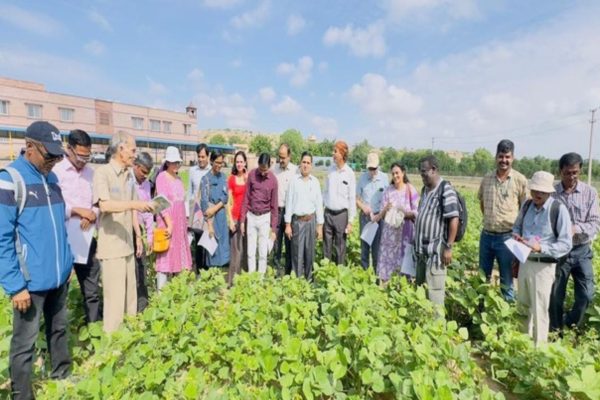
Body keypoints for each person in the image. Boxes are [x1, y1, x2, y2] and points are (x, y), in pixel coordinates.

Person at [0, 121, 73, 399]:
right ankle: (22, 395)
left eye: (58, 155)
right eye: (49, 155)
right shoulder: (10, 179)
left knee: (59, 329)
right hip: (29, 283)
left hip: (58, 276)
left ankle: (62, 375)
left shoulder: (52, 179)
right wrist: (15, 285)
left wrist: (66, 264)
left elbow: (60, 226)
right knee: (24, 343)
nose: (54, 161)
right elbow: (2, 239)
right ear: (30, 147)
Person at [93, 131, 154, 333]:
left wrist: (138, 235)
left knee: (130, 300)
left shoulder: (129, 176)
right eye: (132, 150)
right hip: (112, 249)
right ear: (120, 149)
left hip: (127, 245)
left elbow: (133, 209)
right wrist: (135, 204)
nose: (134, 155)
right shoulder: (103, 173)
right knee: (115, 303)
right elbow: (105, 205)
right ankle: (112, 350)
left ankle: (129, 343)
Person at [513, 171, 572, 344]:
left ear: (549, 192)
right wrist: (517, 237)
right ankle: (522, 345)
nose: (538, 194)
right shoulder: (526, 206)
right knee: (522, 306)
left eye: (542, 191)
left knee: (540, 309)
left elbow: (566, 244)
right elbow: (516, 227)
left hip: (543, 267)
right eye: (535, 190)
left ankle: (539, 351)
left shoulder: (557, 210)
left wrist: (542, 247)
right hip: (525, 262)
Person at [53, 129, 102, 323]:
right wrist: (77, 211)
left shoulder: (92, 173)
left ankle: (94, 330)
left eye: (87, 156)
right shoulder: (56, 173)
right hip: (64, 239)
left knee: (92, 289)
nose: (84, 160)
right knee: (60, 291)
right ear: (69, 149)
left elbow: (98, 203)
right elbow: (55, 206)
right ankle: (62, 332)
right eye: (80, 156)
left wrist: (92, 213)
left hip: (87, 239)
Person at [550, 153, 600, 331]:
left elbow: (595, 223)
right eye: (567, 173)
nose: (571, 177)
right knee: (555, 295)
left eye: (575, 173)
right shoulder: (552, 194)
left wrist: (575, 228)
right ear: (560, 171)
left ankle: (569, 322)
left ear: (579, 171)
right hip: (560, 252)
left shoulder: (590, 193)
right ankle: (555, 330)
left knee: (586, 294)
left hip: (581, 250)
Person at [478, 139, 528, 301]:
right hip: (486, 236)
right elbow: (482, 204)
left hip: (507, 237)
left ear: (513, 158)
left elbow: (525, 209)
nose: (504, 161)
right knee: (481, 278)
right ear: (496, 157)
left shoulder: (520, 180)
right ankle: (479, 314)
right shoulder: (486, 179)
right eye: (501, 156)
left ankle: (506, 317)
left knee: (507, 280)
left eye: (507, 157)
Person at [414, 155, 459, 309]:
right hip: (421, 254)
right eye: (421, 173)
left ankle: (437, 330)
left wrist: (449, 247)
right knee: (420, 296)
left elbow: (454, 218)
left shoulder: (445, 188)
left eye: (424, 172)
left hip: (436, 255)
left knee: (435, 298)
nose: (422, 176)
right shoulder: (425, 190)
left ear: (433, 170)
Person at [374, 162, 419, 282]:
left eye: (397, 173)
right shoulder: (388, 191)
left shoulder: (410, 189)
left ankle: (403, 288)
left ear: (403, 173)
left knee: (404, 264)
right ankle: (386, 287)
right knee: (388, 266)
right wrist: (386, 209)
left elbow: (417, 212)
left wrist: (404, 213)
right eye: (393, 173)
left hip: (405, 234)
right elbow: (381, 214)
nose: (395, 176)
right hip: (389, 236)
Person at [155, 146, 192, 289]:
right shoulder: (161, 177)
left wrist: (185, 224)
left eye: (178, 162)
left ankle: (177, 294)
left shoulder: (179, 179)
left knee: (179, 261)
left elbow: (182, 203)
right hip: (167, 224)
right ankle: (161, 296)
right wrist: (169, 225)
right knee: (165, 260)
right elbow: (160, 203)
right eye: (173, 162)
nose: (176, 165)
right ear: (167, 163)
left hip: (179, 225)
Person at [284, 152, 324, 280]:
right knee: (297, 254)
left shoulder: (315, 182)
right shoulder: (294, 181)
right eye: (304, 162)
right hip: (297, 222)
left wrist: (319, 225)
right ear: (300, 164)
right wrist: (288, 224)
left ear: (311, 165)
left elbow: (319, 204)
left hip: (311, 221)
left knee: (309, 253)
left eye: (308, 163)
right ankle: (297, 282)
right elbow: (289, 203)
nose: (306, 165)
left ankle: (309, 281)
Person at [240, 153, 278, 274]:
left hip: (264, 218)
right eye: (260, 169)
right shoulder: (251, 175)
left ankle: (260, 280)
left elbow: (274, 206)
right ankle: (252, 278)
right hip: (251, 216)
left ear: (270, 165)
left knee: (262, 252)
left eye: (265, 169)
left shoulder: (273, 180)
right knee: (250, 251)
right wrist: (242, 220)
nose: (262, 172)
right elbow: (246, 198)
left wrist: (273, 229)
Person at [323, 141, 356, 265]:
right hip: (328, 213)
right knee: (326, 246)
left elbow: (352, 198)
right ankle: (326, 272)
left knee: (340, 247)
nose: (333, 154)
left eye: (335, 151)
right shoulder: (329, 171)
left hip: (342, 215)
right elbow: (325, 192)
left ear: (342, 153)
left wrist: (351, 221)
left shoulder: (350, 174)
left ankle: (338, 275)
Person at [356, 152, 388, 270]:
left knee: (377, 250)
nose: (372, 171)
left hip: (378, 218)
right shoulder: (362, 178)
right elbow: (356, 199)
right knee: (364, 249)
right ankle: (364, 275)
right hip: (365, 218)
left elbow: (388, 199)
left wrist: (380, 215)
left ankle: (376, 277)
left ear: (378, 166)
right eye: (370, 168)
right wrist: (363, 207)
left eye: (374, 168)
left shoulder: (384, 178)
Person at [200, 150, 230, 268]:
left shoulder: (223, 177)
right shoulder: (205, 179)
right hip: (211, 220)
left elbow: (225, 196)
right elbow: (204, 203)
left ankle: (222, 280)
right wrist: (209, 225)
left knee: (223, 250)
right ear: (211, 161)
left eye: (221, 163)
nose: (219, 165)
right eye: (217, 162)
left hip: (221, 218)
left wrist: (215, 208)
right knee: (213, 251)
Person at [132, 152, 154, 312]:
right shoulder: (127, 181)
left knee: (141, 269)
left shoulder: (146, 184)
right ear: (136, 166)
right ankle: (131, 309)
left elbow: (147, 212)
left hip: (140, 232)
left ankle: (142, 308)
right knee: (129, 271)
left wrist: (150, 235)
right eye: (143, 172)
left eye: (148, 173)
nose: (145, 176)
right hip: (128, 231)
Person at [272, 144, 298, 275]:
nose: (281, 160)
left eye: (283, 157)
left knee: (289, 244)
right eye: (279, 157)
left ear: (289, 156)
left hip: (289, 212)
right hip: (276, 211)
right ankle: (276, 272)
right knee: (276, 243)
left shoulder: (295, 171)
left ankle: (288, 273)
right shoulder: (274, 169)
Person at [188, 143, 211, 274]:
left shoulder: (211, 170)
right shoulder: (192, 171)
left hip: (208, 211)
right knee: (197, 243)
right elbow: (190, 193)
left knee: (208, 241)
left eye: (203, 156)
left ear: (208, 157)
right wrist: (188, 213)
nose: (201, 159)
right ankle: (198, 271)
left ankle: (207, 271)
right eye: (199, 156)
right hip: (196, 212)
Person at [227, 151, 248, 285]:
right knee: (235, 251)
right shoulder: (231, 179)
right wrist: (230, 219)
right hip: (235, 218)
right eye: (237, 161)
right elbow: (229, 202)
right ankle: (232, 282)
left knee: (245, 250)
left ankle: (244, 280)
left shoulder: (248, 178)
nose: (239, 164)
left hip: (246, 219)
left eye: (241, 161)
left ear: (245, 162)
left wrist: (247, 179)